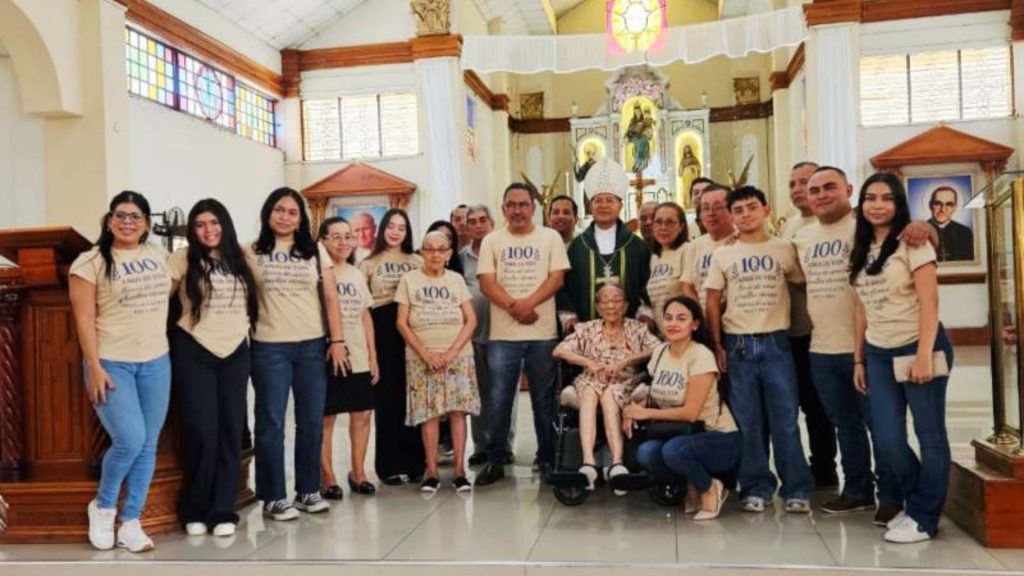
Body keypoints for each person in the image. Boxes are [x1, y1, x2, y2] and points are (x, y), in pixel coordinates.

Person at [797, 165, 935, 522]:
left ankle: (893, 493)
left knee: (881, 424)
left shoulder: (865, 228)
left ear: (848, 190)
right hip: (822, 347)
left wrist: (927, 226)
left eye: (830, 187)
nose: (822, 195)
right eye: (814, 190)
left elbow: (914, 236)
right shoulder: (800, 235)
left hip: (870, 345)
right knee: (844, 423)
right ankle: (857, 489)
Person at [851, 172, 953, 544]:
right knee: (888, 438)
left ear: (899, 204)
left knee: (930, 436)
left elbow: (930, 301)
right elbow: (861, 309)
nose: (877, 205)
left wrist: (924, 354)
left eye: (887, 197)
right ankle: (916, 502)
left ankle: (925, 517)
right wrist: (859, 359)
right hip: (878, 352)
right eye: (870, 198)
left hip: (917, 344)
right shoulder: (861, 248)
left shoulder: (914, 242)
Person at [70, 191, 173, 552]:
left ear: (146, 223)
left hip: (157, 361)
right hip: (112, 362)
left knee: (147, 443)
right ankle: (102, 506)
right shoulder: (91, 262)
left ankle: (131, 520)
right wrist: (94, 367)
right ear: (109, 220)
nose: (127, 221)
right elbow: (83, 319)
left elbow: (174, 286)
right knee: (129, 439)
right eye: (120, 215)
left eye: (135, 216)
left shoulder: (159, 256)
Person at [704, 186, 814, 514]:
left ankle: (796, 486)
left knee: (785, 419)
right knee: (748, 420)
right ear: (732, 216)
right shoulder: (723, 254)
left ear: (766, 210)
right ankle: (755, 485)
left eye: (752, 207)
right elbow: (711, 301)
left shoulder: (784, 248)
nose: (746, 215)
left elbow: (801, 283)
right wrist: (717, 343)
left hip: (776, 342)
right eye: (738, 210)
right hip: (738, 343)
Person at [248, 187, 347, 521]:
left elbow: (331, 299)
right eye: (279, 209)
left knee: (310, 422)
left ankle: (308, 490)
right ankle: (274, 496)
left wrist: (337, 341)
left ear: (302, 218)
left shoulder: (315, 251)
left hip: (311, 346)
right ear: (267, 212)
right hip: (269, 346)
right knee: (271, 423)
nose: (285, 217)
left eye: (292, 212)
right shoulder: (252, 250)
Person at [168, 199, 259, 537]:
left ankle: (223, 509)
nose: (209, 230)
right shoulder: (182, 258)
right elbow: (159, 292)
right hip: (195, 349)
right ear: (193, 230)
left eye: (214, 222)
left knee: (230, 431)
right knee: (201, 431)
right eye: (201, 224)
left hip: (236, 350)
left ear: (225, 224)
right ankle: (196, 508)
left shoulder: (240, 257)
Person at [474, 183, 570, 487]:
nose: (517, 210)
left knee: (544, 399)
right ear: (503, 209)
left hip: (542, 333)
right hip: (503, 335)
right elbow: (486, 283)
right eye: (511, 205)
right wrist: (515, 307)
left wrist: (528, 304)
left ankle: (546, 456)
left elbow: (557, 278)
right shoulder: (492, 240)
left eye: (523, 204)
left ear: (533, 207)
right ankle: (496, 458)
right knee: (499, 398)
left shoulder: (550, 237)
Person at [627, 296, 740, 521]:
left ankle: (710, 487)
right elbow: (654, 394)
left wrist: (646, 413)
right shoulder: (660, 352)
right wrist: (630, 411)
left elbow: (690, 413)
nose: (673, 324)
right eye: (668, 318)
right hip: (681, 434)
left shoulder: (701, 356)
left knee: (673, 451)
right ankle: (691, 484)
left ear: (695, 324)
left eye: (681, 318)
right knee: (645, 453)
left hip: (717, 437)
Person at [395, 231, 480, 492]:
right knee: (429, 413)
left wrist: (451, 352)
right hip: (422, 357)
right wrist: (425, 353)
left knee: (457, 412)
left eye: (440, 249)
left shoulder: (455, 280)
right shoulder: (409, 280)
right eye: (429, 249)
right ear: (422, 252)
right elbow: (401, 322)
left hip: (458, 356)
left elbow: (471, 320)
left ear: (449, 254)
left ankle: (459, 472)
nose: (434, 254)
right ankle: (430, 471)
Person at [553, 283, 660, 489]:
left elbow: (658, 347)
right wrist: (589, 363)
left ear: (626, 306)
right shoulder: (587, 329)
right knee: (591, 391)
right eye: (605, 301)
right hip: (591, 379)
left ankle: (617, 463)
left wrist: (625, 362)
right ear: (598, 307)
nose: (611, 305)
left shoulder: (637, 329)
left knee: (610, 393)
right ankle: (588, 463)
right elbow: (559, 351)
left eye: (616, 300)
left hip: (625, 381)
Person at [780, 162, 838, 489]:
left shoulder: (837, 223)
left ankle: (825, 469)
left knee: (819, 408)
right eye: (793, 183)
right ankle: (800, 470)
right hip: (790, 330)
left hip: (821, 331)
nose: (798, 189)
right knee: (793, 405)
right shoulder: (789, 226)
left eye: (806, 182)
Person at [359, 208, 426, 485]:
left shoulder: (417, 260)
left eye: (402, 227)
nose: (396, 231)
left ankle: (415, 463)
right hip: (383, 330)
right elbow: (363, 308)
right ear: (382, 229)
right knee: (387, 400)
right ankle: (387, 466)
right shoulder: (368, 263)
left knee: (414, 397)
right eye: (391, 226)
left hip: (414, 328)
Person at [318, 217, 378, 499]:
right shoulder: (318, 271)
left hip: (359, 353)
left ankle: (358, 472)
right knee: (327, 417)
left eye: (348, 236)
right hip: (328, 351)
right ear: (323, 241)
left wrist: (373, 356)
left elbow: (365, 315)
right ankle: (327, 476)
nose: (343, 242)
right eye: (336, 236)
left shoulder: (356, 273)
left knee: (362, 414)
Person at [559, 158, 651, 328]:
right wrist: (569, 317)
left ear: (620, 205)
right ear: (590, 206)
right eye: (598, 201)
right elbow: (566, 288)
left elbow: (647, 285)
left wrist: (645, 314)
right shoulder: (578, 246)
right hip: (587, 331)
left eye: (609, 200)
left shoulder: (637, 246)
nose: (603, 205)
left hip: (630, 331)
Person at [461, 205, 517, 467]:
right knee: (478, 393)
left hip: (504, 333)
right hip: (473, 335)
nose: (478, 225)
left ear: (492, 223)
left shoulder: (503, 251)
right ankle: (482, 445)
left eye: (483, 220)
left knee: (504, 392)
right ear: (467, 227)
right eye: (473, 221)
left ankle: (504, 446)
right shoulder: (461, 258)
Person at [681, 184, 733, 310]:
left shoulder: (741, 240)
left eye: (718, 207)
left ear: (732, 209)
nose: (711, 213)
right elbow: (687, 286)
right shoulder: (694, 245)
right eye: (705, 208)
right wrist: (702, 314)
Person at [648, 202, 689, 337]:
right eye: (658, 222)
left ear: (681, 226)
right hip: (662, 336)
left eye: (670, 222)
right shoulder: (654, 258)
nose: (663, 227)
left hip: (684, 335)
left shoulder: (687, 250)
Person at [927, 186, 974, 262]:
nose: (943, 209)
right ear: (930, 205)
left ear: (955, 207)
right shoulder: (919, 231)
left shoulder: (965, 232)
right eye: (938, 203)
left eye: (949, 204)